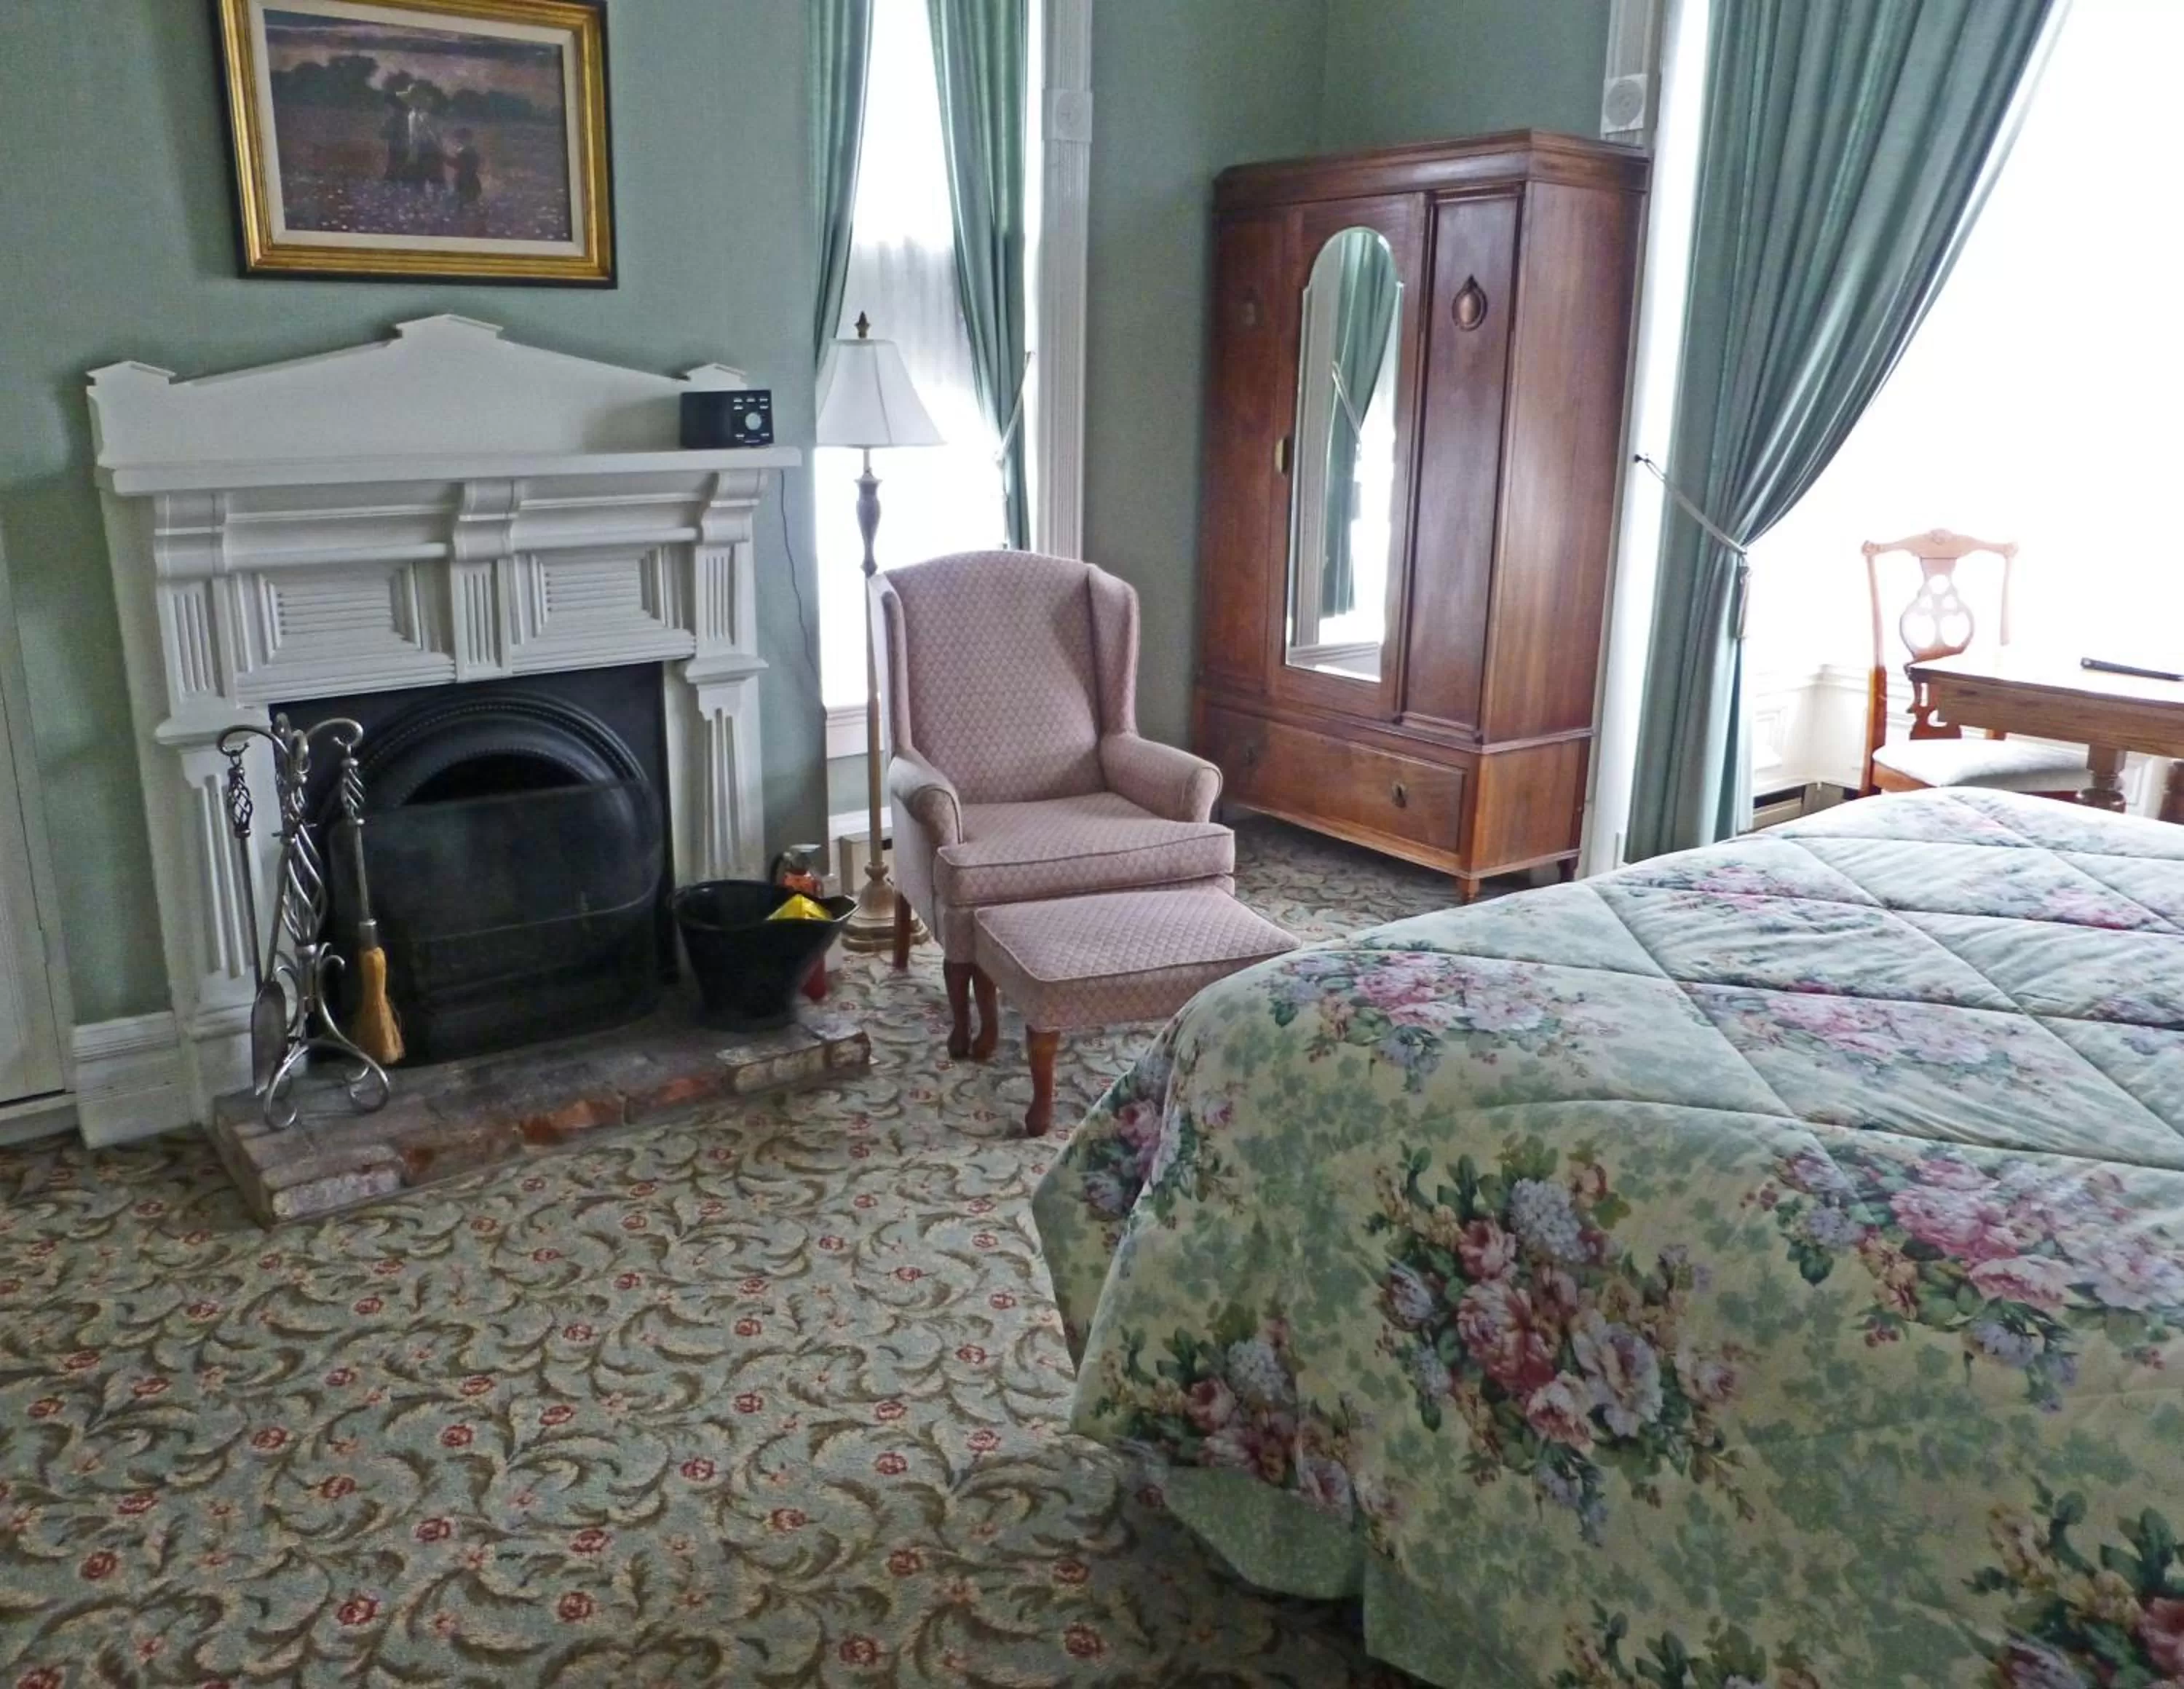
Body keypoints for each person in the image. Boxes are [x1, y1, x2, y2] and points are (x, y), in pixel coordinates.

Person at [451, 128, 483, 207]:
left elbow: (458, 164)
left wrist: (444, 157)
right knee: (468, 203)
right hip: (469, 180)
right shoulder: (470, 151)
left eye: (459, 138)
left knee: (464, 203)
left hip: (466, 181)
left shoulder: (466, 151)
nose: (457, 140)